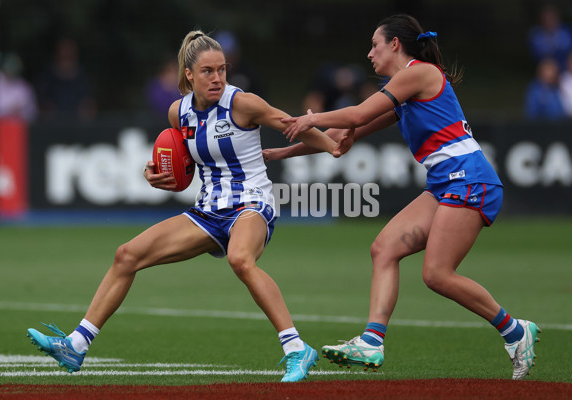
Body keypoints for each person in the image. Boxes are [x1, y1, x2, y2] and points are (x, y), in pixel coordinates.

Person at [26, 30, 352, 383]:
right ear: (189, 75)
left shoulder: (243, 103)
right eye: (208, 71)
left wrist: (330, 145)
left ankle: (295, 348)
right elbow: (182, 165)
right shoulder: (177, 113)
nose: (217, 78)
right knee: (126, 255)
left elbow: (294, 127)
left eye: (222, 70)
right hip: (208, 212)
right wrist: (154, 174)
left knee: (241, 259)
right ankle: (76, 344)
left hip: (251, 205)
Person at [266, 14, 541, 380]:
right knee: (384, 248)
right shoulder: (402, 92)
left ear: (395, 44)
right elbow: (340, 136)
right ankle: (372, 342)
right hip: (446, 183)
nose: (369, 54)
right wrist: (276, 155)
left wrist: (309, 118)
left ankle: (516, 331)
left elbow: (359, 112)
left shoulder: (419, 72)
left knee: (437, 274)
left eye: (374, 45)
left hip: (470, 179)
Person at [35, 37, 96, 120]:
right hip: (53, 123)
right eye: (64, 50)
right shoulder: (48, 74)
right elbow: (41, 99)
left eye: (69, 50)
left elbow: (88, 100)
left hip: (77, 123)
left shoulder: (82, 74)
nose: (66, 53)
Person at [528, 4, 572, 70]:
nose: (549, 20)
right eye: (546, 18)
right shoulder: (536, 34)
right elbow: (537, 54)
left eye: (552, 17)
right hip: (546, 70)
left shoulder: (567, 31)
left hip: (567, 68)